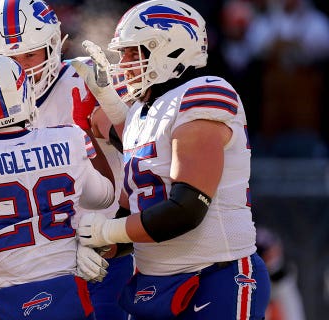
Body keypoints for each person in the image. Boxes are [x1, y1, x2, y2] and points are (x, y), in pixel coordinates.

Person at [75, 0, 271, 319]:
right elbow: (137, 210)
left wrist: (106, 232)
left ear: (169, 49)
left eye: (131, 52)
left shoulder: (203, 93)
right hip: (155, 286)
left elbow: (186, 209)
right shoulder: (141, 113)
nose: (122, 64)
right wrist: (96, 248)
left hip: (214, 278)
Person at [0, 53, 116, 319]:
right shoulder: (69, 138)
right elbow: (104, 197)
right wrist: (83, 129)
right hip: (69, 293)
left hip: (7, 301)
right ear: (23, 94)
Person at [0, 1, 132, 319]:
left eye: (30, 55)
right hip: (28, 266)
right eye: (8, 58)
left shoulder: (82, 80)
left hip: (100, 258)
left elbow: (137, 149)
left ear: (53, 47)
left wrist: (111, 103)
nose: (21, 68)